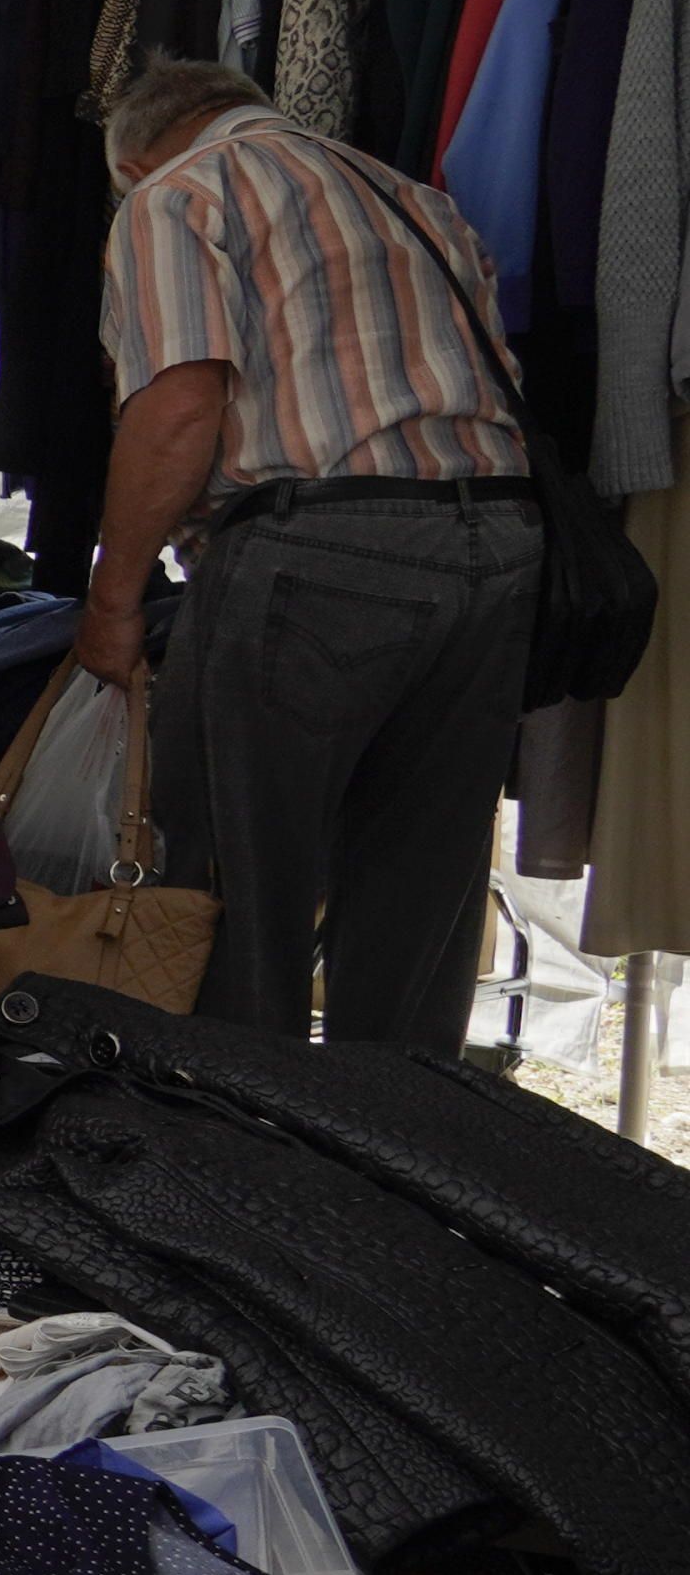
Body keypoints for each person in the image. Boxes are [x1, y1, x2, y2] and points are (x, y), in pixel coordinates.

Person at [78, 56, 540, 1050]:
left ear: (133, 155)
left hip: (317, 551)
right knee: (418, 905)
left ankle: (244, 1165)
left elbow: (177, 408)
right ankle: (394, 1165)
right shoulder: (413, 199)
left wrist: (110, 601)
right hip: (495, 543)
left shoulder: (175, 196)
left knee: (236, 899)